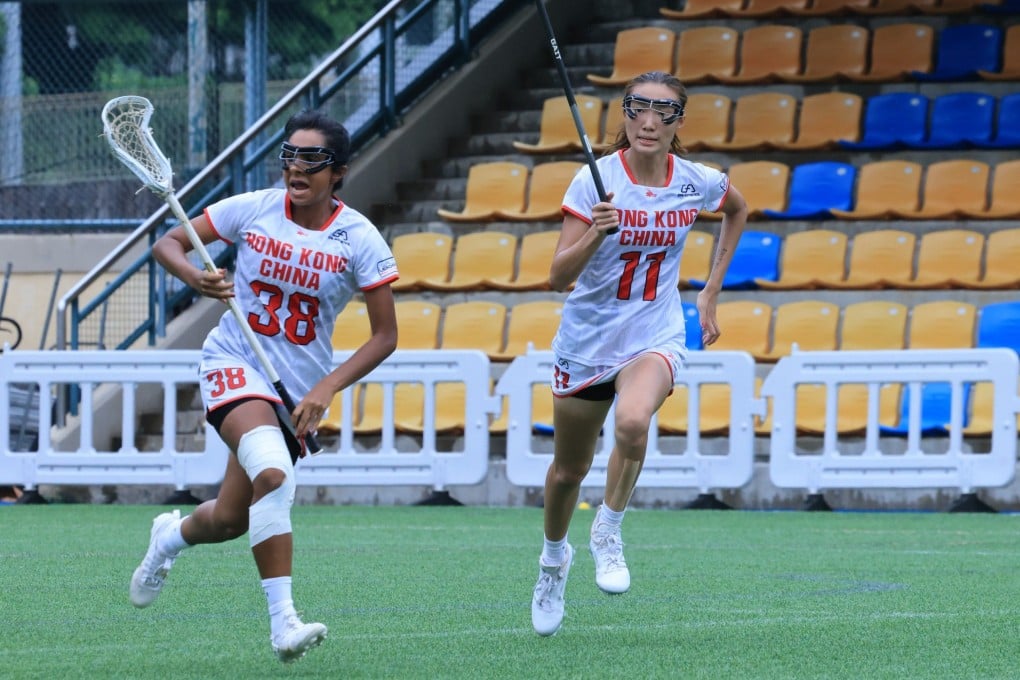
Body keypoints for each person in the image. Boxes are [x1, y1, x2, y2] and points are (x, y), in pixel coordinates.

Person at [134, 110, 399, 662]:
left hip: (294, 390)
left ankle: (169, 538)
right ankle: (284, 624)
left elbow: (385, 336)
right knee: (274, 474)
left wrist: (326, 388)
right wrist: (196, 277)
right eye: (290, 155)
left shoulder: (359, 238)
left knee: (230, 519)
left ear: (339, 172)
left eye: (312, 159)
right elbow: (169, 244)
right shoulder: (253, 208)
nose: (296, 167)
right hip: (233, 361)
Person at [531, 71, 749, 636]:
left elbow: (737, 208)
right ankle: (553, 562)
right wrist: (594, 233)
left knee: (632, 421)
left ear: (679, 120)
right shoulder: (595, 181)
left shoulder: (696, 181)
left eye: (663, 111)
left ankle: (608, 529)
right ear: (625, 113)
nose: (649, 121)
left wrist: (710, 289)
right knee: (568, 471)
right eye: (638, 108)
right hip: (587, 342)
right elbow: (557, 277)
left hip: (654, 332)